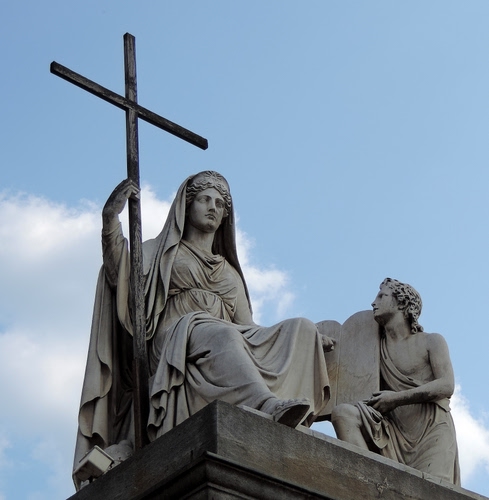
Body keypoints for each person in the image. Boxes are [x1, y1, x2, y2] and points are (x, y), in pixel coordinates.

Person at [73, 171, 333, 485]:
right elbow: (121, 276)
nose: (213, 207)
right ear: (187, 205)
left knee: (301, 327)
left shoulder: (229, 273)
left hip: (220, 338)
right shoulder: (162, 252)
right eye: (205, 199)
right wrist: (110, 221)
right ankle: (267, 405)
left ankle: (294, 421)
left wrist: (301, 337)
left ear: (225, 216)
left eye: (220, 204)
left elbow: (247, 327)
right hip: (173, 341)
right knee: (218, 331)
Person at [331, 278, 460, 484]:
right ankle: (367, 484)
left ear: (402, 303)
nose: (373, 302)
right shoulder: (373, 347)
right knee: (343, 413)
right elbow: (344, 370)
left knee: (430, 491)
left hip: (431, 429)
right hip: (391, 430)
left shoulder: (431, 341)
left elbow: (446, 385)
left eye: (381, 296)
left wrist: (396, 399)